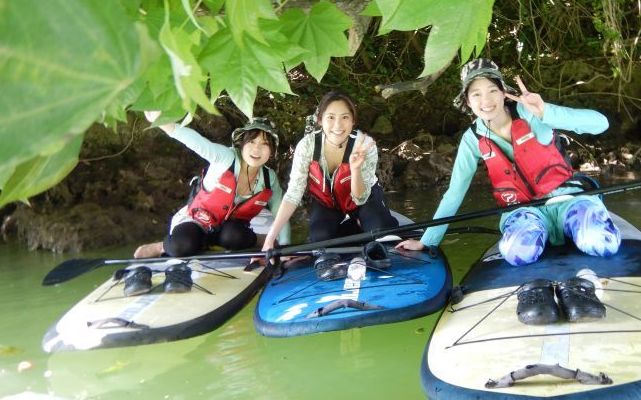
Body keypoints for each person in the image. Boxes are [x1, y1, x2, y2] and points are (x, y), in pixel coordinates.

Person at [395, 58, 621, 267]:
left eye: (493, 90)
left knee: (601, 243)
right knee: (517, 253)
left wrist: (546, 112)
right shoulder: (472, 139)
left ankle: (580, 228)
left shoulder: (531, 113)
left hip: (569, 200)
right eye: (476, 94)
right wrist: (428, 241)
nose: (486, 101)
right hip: (524, 212)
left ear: (504, 93)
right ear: (467, 101)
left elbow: (601, 124)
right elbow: (454, 193)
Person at [133, 111, 291, 260]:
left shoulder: (269, 178)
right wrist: (163, 122)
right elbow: (195, 141)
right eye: (251, 141)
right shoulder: (225, 157)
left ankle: (256, 239)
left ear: (271, 151)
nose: (257, 149)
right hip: (198, 219)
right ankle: (161, 246)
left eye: (264, 144)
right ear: (241, 144)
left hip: (230, 229)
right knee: (182, 245)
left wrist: (285, 246)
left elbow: (280, 212)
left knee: (235, 237)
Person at [260, 90, 398, 256]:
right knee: (320, 237)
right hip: (328, 203)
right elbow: (293, 194)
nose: (338, 125)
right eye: (331, 117)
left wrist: (355, 170)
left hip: (363, 198)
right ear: (320, 120)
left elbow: (360, 197)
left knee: (380, 232)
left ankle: (374, 223)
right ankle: (355, 228)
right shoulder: (307, 146)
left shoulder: (364, 145)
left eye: (345, 117)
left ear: (353, 120)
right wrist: (270, 240)